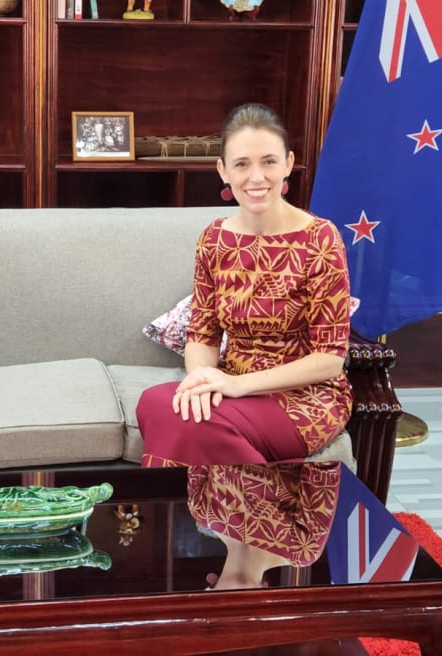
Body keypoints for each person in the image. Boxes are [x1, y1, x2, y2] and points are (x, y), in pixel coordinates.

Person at [136, 102, 352, 468]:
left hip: (305, 396)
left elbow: (329, 359)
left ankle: (229, 517)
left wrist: (236, 386)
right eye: (241, 164)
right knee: (154, 402)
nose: (256, 177)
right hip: (231, 384)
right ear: (223, 171)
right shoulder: (214, 238)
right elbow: (202, 334)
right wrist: (204, 378)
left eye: (268, 161)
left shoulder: (320, 238)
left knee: (182, 421)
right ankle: (258, 513)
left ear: (288, 163)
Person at [188, 461, 341, 590]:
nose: (238, 611)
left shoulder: (201, 509)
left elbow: (197, 440)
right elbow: (325, 464)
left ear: (207, 591)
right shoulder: (303, 549)